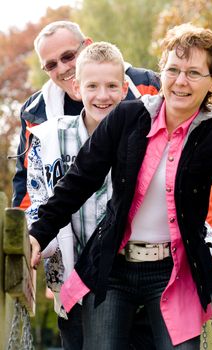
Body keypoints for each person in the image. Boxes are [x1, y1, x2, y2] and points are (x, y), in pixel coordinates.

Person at [12, 20, 160, 349]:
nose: (62, 69)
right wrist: (36, 243)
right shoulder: (39, 118)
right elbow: (31, 191)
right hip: (76, 264)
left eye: (68, 56)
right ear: (80, 88)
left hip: (142, 263)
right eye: (51, 64)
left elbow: (178, 176)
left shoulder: (145, 92)